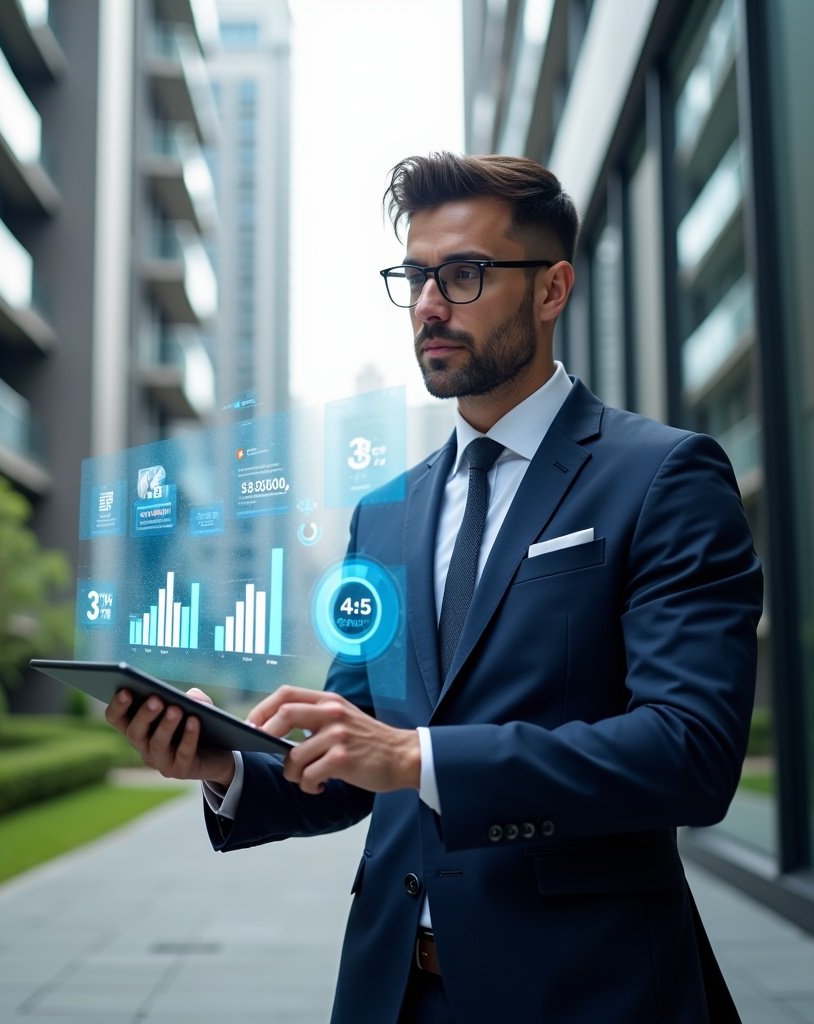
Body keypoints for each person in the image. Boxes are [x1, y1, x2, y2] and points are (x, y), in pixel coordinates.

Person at [106, 151, 763, 1023]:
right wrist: (224, 764)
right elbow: (354, 756)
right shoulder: (384, 514)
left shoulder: (663, 476)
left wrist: (421, 759)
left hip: (587, 992)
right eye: (415, 277)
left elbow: (690, 751)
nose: (428, 304)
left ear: (552, 289)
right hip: (392, 992)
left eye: (463, 274)